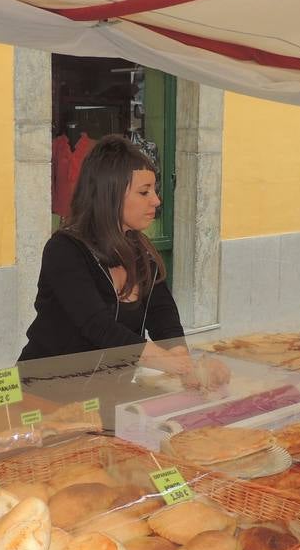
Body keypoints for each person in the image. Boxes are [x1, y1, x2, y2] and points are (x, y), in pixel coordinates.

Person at [21, 134, 228, 390]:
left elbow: (163, 316)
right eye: (144, 192)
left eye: (155, 190)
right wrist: (177, 365)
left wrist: (182, 361)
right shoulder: (65, 250)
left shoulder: (142, 253)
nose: (156, 200)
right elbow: (99, 328)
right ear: (112, 195)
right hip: (45, 390)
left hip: (107, 391)